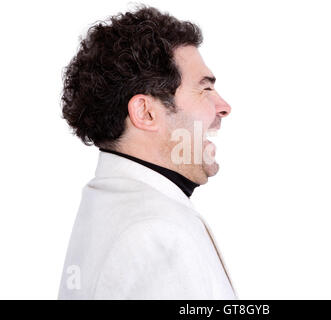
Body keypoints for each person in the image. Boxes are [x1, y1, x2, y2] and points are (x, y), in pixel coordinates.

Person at [58, 5, 236, 299]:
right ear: (145, 112)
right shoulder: (156, 233)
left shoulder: (106, 204)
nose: (224, 106)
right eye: (204, 89)